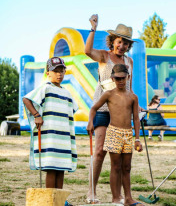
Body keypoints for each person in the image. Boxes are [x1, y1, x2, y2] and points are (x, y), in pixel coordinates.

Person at [84, 14, 135, 203]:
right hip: (103, 109)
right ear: (113, 41)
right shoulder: (104, 56)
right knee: (99, 151)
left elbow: (131, 87)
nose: (122, 46)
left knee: (120, 156)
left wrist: (136, 108)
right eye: (120, 42)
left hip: (121, 112)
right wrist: (93, 28)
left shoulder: (129, 62)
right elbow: (87, 50)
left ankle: (119, 195)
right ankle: (91, 191)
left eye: (127, 44)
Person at [23, 57, 78, 206]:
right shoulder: (45, 88)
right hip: (50, 137)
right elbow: (27, 99)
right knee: (51, 169)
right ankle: (49, 200)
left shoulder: (67, 93)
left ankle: (59, 200)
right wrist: (37, 115)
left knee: (61, 169)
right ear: (48, 73)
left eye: (62, 71)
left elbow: (72, 110)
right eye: (55, 71)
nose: (59, 74)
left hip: (63, 137)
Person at [87, 64, 143, 206]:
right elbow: (94, 108)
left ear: (128, 77)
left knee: (127, 167)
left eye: (123, 78)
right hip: (113, 132)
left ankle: (128, 198)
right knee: (115, 166)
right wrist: (90, 122)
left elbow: (136, 118)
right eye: (117, 79)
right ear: (112, 78)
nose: (120, 81)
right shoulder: (108, 94)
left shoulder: (133, 97)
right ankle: (115, 198)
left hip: (128, 133)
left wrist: (137, 138)